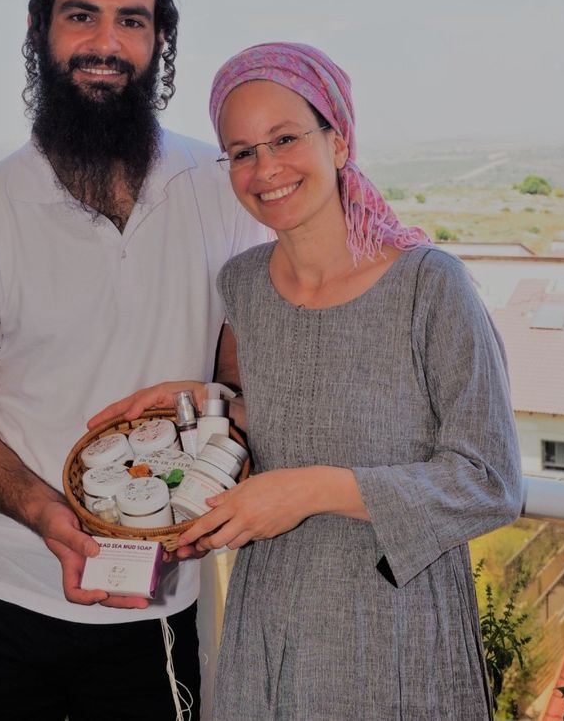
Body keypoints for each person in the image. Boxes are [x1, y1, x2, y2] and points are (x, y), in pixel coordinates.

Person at [110, 43, 523, 720]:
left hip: (394, 624)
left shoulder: (428, 283)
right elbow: (283, 419)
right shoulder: (243, 284)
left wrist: (314, 489)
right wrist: (205, 404)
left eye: (284, 138)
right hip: (269, 615)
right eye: (241, 151)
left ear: (338, 140)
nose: (265, 168)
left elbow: (491, 480)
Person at [0, 0, 265, 720]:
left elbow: (241, 389)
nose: (106, 44)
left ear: (160, 39)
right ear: (41, 29)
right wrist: (53, 517)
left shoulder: (222, 191)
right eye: (82, 16)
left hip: (153, 602)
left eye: (132, 21)